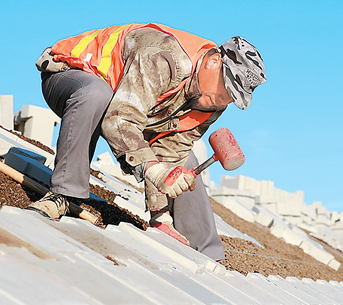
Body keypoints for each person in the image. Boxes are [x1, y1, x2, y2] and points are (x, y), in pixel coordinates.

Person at [28, 23, 266, 261]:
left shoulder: (212, 103)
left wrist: (159, 215)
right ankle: (64, 196)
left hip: (125, 106)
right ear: (214, 62)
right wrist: (154, 170)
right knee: (97, 94)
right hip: (68, 76)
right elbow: (120, 119)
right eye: (227, 89)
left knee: (185, 161)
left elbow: (170, 151)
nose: (224, 100)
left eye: (233, 98)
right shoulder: (164, 57)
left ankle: (202, 253)